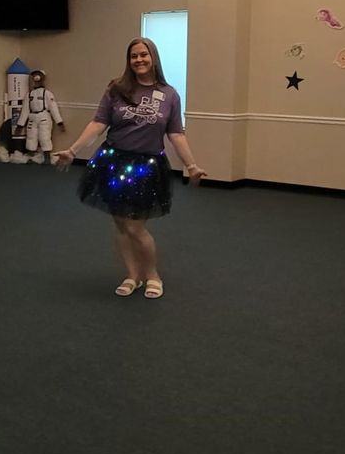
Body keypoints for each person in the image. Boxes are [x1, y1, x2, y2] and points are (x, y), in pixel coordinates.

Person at [54, 37, 206, 299]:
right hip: (113, 163)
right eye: (134, 56)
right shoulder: (116, 89)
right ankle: (132, 275)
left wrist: (191, 165)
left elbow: (176, 134)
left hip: (147, 167)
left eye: (143, 55)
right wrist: (72, 150)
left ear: (153, 57)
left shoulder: (169, 95)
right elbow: (98, 123)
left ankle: (152, 276)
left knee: (136, 227)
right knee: (122, 226)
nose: (139, 60)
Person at [16, 68, 64, 162]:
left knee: (44, 137)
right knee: (31, 137)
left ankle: (47, 158)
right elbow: (25, 110)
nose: (36, 78)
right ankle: (30, 157)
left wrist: (60, 122)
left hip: (44, 117)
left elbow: (53, 108)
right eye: (34, 76)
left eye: (38, 75)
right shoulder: (29, 95)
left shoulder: (47, 94)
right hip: (32, 118)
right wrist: (20, 125)